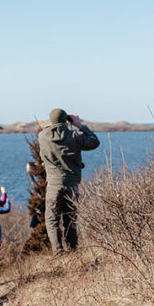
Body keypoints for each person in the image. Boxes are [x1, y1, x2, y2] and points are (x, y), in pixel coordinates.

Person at [38, 108, 100, 253]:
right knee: (70, 220)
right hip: (72, 185)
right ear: (66, 120)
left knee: (52, 220)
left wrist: (61, 123)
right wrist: (79, 124)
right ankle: (73, 250)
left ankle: (58, 252)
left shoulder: (43, 136)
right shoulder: (75, 136)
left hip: (54, 185)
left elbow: (52, 128)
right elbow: (94, 142)